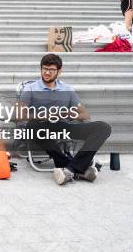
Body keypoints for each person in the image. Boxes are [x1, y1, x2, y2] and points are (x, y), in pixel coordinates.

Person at [16, 54, 111, 186]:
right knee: (32, 126)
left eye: (51, 70)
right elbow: (19, 114)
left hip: (64, 126)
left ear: (59, 71)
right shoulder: (30, 88)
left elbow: (85, 114)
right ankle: (78, 168)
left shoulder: (67, 89)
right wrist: (44, 115)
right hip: (40, 127)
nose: (47, 72)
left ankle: (70, 168)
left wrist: (66, 113)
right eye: (44, 69)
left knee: (103, 127)